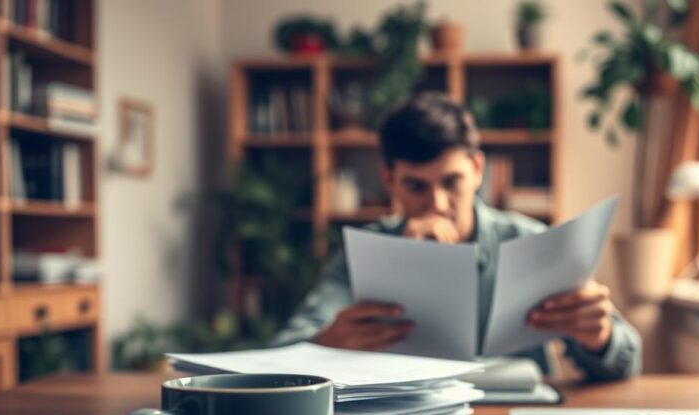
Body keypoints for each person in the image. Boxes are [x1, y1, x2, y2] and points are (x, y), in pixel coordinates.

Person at [271, 92, 641, 381]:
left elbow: (629, 361)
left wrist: (600, 336)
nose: (438, 204)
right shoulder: (363, 253)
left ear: (478, 168)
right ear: (389, 179)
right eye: (416, 186)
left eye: (451, 182)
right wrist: (327, 342)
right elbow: (282, 351)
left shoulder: (530, 241)